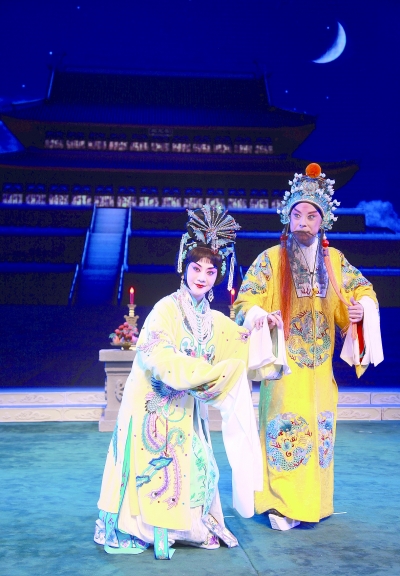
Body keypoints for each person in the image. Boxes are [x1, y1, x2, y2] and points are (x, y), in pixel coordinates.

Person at [94, 205, 289, 559]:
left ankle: (188, 526)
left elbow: (240, 343)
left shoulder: (211, 318)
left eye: (211, 271)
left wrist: (265, 327)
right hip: (153, 403)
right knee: (158, 469)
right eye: (196, 268)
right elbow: (158, 354)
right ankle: (151, 529)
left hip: (185, 406)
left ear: (218, 276)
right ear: (184, 268)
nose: (202, 277)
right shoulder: (165, 309)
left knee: (197, 465)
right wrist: (201, 374)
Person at [234, 163, 383, 531]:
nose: (303, 221)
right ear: (287, 217)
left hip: (321, 372)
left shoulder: (335, 262)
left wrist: (360, 310)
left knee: (320, 436)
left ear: (323, 221)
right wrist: (260, 316)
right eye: (297, 214)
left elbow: (363, 290)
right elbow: (245, 300)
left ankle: (315, 502)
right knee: (286, 435)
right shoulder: (271, 259)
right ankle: (282, 505)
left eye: (311, 215)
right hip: (285, 370)